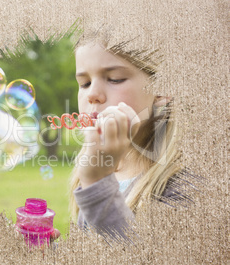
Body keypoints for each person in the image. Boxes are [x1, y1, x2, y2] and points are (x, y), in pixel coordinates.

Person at [50, 31, 194, 243]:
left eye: (115, 79)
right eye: (85, 83)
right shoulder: (96, 167)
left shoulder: (184, 185)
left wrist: (97, 182)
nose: (92, 94)